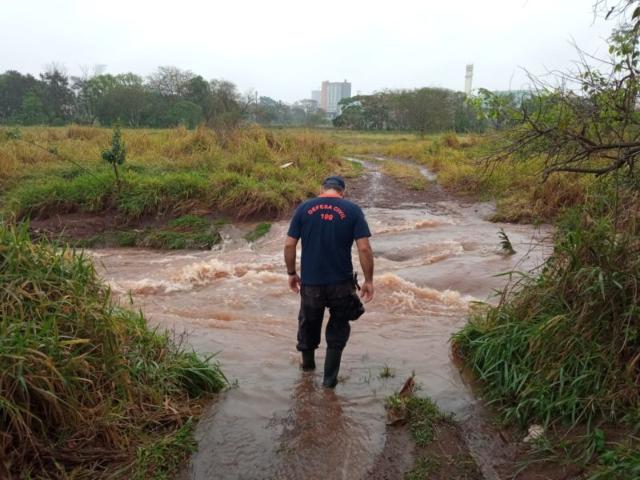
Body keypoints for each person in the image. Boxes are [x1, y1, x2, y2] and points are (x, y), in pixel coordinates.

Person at [284, 175, 374, 388]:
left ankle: (307, 372)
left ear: (321, 190)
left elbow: (289, 246)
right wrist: (369, 280)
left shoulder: (304, 208)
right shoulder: (352, 210)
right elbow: (364, 249)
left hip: (311, 283)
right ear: (342, 192)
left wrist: (291, 273)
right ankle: (329, 382)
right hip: (341, 284)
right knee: (338, 328)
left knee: (308, 325)